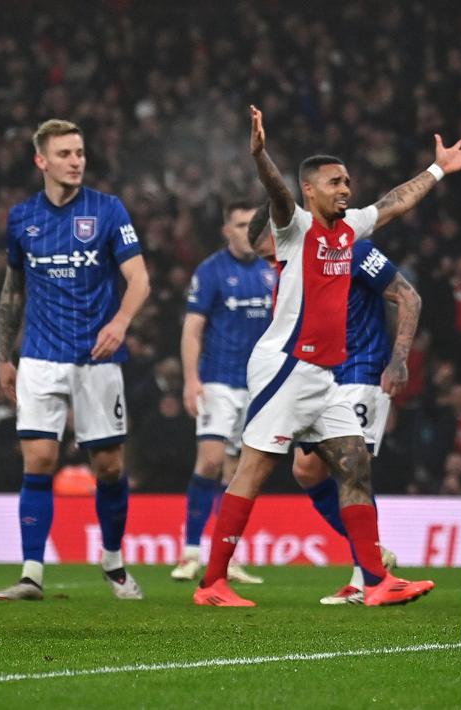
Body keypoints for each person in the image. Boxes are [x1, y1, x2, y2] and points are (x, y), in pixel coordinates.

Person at [192, 106, 461, 607]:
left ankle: (375, 580)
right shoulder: (294, 227)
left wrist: (436, 170)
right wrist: (261, 157)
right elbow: (278, 194)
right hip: (285, 364)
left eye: (347, 181)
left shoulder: (350, 231)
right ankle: (213, 581)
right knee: (254, 471)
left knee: (354, 464)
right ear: (311, 190)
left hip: (323, 374)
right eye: (335, 182)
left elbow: (392, 203)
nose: (346, 189)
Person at [0, 119, 151, 601]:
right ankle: (32, 574)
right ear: (42, 161)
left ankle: (113, 562)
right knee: (39, 458)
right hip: (40, 355)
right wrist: (5, 355)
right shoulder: (22, 218)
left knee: (107, 466)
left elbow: (139, 278)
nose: (76, 160)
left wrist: (121, 321)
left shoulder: (107, 210)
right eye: (64, 153)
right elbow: (13, 289)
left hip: (96, 357)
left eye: (80, 152)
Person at [248, 207, 421, 604]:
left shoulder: (351, 250)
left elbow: (408, 297)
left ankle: (367, 577)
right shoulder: (291, 275)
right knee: (306, 470)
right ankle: (372, 556)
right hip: (320, 376)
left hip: (362, 369)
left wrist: (398, 360)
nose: (273, 264)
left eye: (270, 254)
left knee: (351, 471)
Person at [169, 200, 276, 584]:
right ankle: (190, 552)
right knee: (211, 461)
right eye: (240, 224)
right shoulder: (211, 270)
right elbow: (192, 329)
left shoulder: (272, 269)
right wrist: (190, 379)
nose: (248, 231)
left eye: (253, 224)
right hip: (217, 379)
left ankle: (226, 558)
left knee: (238, 473)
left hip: (259, 385)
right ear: (226, 230)